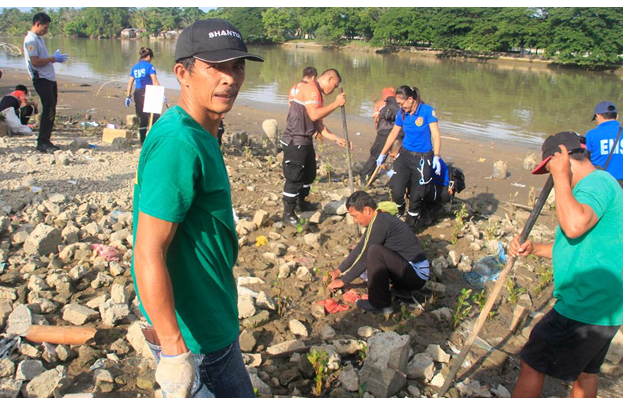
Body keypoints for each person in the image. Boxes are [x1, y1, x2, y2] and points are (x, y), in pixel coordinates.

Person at [131, 19, 264, 397]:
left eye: (237, 66)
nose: (230, 78)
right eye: (215, 67)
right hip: (197, 335)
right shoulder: (179, 141)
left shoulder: (202, 131)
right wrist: (175, 351)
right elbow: (147, 250)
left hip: (211, 312)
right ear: (182, 73)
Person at [509, 131, 623, 398]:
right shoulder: (596, 186)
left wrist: (560, 176)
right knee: (586, 372)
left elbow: (573, 227)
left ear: (561, 159)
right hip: (604, 306)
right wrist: (534, 248)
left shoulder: (596, 184)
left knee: (532, 362)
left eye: (549, 168)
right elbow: (577, 248)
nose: (550, 175)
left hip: (584, 305)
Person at [327, 191, 429, 314]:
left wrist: (343, 281)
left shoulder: (380, 223)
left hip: (416, 274)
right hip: (408, 270)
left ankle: (380, 304)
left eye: (355, 216)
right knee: (371, 254)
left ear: (367, 210)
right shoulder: (378, 219)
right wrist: (338, 271)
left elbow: (364, 257)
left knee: (374, 251)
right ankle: (401, 290)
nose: (355, 220)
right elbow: (360, 248)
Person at [281, 68, 348, 225]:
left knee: (309, 174)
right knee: (294, 178)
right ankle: (288, 213)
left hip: (305, 139)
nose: (332, 90)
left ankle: (300, 202)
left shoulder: (317, 92)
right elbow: (315, 115)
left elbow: (318, 124)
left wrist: (336, 138)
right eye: (335, 85)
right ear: (329, 79)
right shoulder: (311, 89)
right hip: (295, 139)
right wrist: (336, 104)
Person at [377, 86, 442, 231]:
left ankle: (411, 224)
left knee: (417, 194)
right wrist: (383, 153)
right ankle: (399, 212)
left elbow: (436, 135)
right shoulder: (402, 113)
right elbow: (393, 134)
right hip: (405, 155)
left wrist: (436, 156)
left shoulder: (427, 111)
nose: (400, 107)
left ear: (410, 99)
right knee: (396, 188)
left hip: (423, 158)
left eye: (402, 103)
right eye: (398, 105)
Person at [23, 12, 68, 153]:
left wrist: (52, 59)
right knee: (48, 110)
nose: (46, 31)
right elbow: (35, 61)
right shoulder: (30, 40)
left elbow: (41, 58)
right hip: (41, 79)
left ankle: (45, 139)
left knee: (51, 109)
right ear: (37, 24)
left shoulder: (38, 38)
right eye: (45, 27)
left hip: (48, 78)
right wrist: (53, 59)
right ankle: (42, 142)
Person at [361, 87, 400, 182]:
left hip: (384, 133)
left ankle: (365, 177)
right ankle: (396, 178)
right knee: (397, 155)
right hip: (397, 133)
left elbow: (376, 121)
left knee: (376, 155)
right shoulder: (399, 104)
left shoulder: (379, 104)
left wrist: (377, 131)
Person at [125, 47, 163, 144]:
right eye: (151, 58)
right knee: (154, 115)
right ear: (148, 56)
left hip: (138, 93)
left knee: (143, 117)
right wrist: (160, 93)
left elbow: (130, 83)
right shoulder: (150, 67)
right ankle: (152, 137)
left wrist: (128, 96)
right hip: (149, 92)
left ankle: (142, 140)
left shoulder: (135, 67)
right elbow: (154, 80)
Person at [585, 101, 623, 187]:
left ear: (598, 116)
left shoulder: (591, 135)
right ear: (616, 116)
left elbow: (583, 161)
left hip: (600, 183)